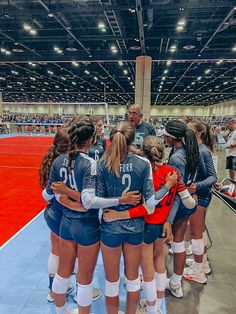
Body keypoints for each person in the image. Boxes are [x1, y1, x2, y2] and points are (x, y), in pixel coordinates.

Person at [43, 118, 141, 314]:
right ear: (91, 140)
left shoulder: (58, 161)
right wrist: (120, 201)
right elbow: (89, 202)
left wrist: (64, 196)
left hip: (66, 223)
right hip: (86, 227)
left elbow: (46, 195)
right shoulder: (90, 164)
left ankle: (61, 311)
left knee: (62, 274)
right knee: (85, 279)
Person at [102, 135, 196, 314]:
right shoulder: (173, 173)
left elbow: (147, 208)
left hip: (146, 225)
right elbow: (188, 202)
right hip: (161, 224)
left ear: (144, 152)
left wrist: (119, 214)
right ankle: (158, 305)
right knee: (159, 263)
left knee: (147, 271)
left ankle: (152, 308)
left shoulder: (145, 173)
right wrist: (171, 218)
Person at [163, 119, 200, 298]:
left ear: (172, 138)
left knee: (176, 244)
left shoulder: (177, 158)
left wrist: (168, 219)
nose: (163, 136)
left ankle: (175, 283)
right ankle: (176, 281)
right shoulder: (188, 151)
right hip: (187, 206)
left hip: (178, 207)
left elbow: (177, 190)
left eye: (165, 134)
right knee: (178, 244)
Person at [39, 129, 74, 302]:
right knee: (75, 253)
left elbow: (45, 194)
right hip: (66, 215)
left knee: (55, 252)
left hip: (52, 213)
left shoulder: (49, 162)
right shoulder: (68, 165)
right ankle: (76, 288)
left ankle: (53, 290)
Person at [183, 120, 217, 283]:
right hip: (199, 195)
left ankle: (198, 273)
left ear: (198, 133)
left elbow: (212, 177)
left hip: (200, 197)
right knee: (199, 231)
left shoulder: (203, 151)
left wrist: (196, 186)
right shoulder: (196, 150)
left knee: (196, 233)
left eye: (189, 130)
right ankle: (202, 264)